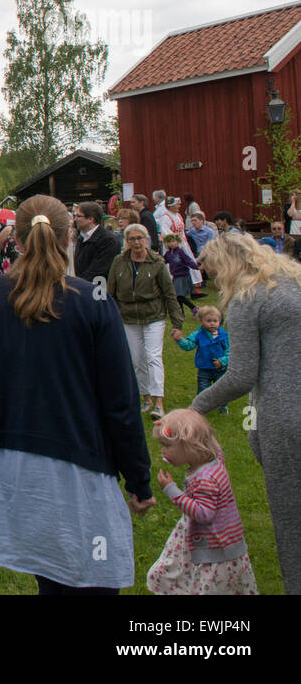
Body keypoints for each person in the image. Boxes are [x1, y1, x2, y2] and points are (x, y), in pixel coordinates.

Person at [0, 195, 156, 594]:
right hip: (74, 463)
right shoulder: (92, 302)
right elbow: (121, 402)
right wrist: (139, 479)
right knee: (88, 582)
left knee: (58, 580)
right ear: (70, 236)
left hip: (10, 466)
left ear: (15, 240)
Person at [188, 232, 301, 593]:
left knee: (291, 521)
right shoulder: (293, 282)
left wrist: (195, 408)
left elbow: (240, 375)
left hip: (285, 417)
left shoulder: (247, 299)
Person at [146, 409, 257, 594]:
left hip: (216, 549)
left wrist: (171, 490)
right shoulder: (215, 460)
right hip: (207, 541)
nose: (163, 451)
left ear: (190, 445)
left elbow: (204, 514)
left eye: (167, 445)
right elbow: (211, 441)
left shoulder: (205, 479)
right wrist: (191, 414)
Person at [107, 223, 183, 419]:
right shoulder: (119, 262)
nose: (136, 242)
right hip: (128, 317)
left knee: (153, 357)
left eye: (140, 238)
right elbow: (111, 292)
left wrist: (177, 323)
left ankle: (159, 402)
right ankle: (146, 397)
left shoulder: (156, 262)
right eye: (132, 239)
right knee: (136, 360)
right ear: (127, 241)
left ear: (147, 239)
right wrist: (110, 318)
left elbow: (169, 293)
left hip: (153, 316)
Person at [71, 201, 120, 285]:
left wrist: (78, 285)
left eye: (78, 216)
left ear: (91, 219)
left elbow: (98, 272)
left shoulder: (108, 241)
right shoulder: (82, 237)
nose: (75, 219)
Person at [162, 233, 200, 318]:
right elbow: (163, 260)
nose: (171, 243)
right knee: (177, 295)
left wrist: (196, 267)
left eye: (173, 241)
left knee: (178, 295)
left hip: (183, 275)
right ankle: (181, 313)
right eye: (169, 242)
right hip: (175, 276)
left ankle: (193, 308)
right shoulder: (168, 254)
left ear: (177, 242)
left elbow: (188, 260)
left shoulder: (180, 252)